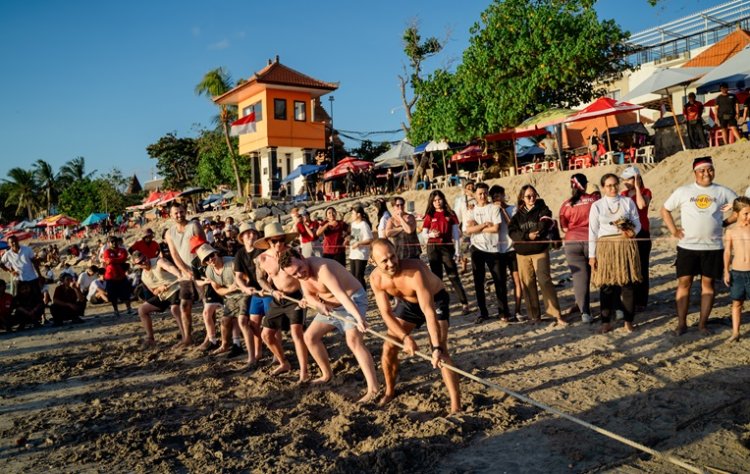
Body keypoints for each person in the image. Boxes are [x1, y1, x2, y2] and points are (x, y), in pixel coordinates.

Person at [369, 239, 460, 413]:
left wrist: (435, 347)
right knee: (389, 346)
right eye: (384, 261)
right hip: (408, 304)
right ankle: (389, 391)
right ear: (372, 262)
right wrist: (405, 338)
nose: (391, 263)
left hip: (435, 300)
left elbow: (428, 311)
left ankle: (456, 405)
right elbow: (386, 314)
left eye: (393, 257)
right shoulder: (375, 279)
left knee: (441, 351)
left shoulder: (415, 270)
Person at [279, 250, 379, 402]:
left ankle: (373, 388)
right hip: (330, 307)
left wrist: (359, 318)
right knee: (310, 337)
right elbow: (308, 296)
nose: (299, 274)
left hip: (352, 300)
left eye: (300, 269)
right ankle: (326, 374)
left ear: (302, 257)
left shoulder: (323, 269)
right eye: (294, 274)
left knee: (353, 341)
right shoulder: (300, 274)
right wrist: (318, 304)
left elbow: (341, 295)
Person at [661, 157, 737, 336]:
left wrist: (725, 222)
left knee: (708, 285)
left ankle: (702, 324)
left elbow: (741, 207)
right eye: (702, 170)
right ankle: (681, 324)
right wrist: (674, 230)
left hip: (713, 247)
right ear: (695, 173)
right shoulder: (684, 191)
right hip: (688, 247)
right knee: (684, 284)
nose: (706, 173)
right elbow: (665, 210)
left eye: (709, 169)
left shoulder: (722, 191)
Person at [254, 222, 309, 381]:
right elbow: (260, 278)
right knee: (266, 335)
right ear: (268, 242)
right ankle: (283, 362)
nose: (279, 244)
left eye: (281, 240)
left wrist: (306, 295)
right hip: (278, 298)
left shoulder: (293, 253)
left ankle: (304, 372)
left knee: (296, 334)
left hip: (296, 297)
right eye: (274, 241)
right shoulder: (262, 258)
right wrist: (271, 291)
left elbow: (306, 272)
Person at [589, 173, 642, 333]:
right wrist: (592, 255)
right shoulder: (597, 205)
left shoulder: (627, 202)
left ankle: (628, 321)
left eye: (614, 184)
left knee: (628, 284)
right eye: (608, 186)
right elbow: (592, 231)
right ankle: (606, 321)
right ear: (603, 188)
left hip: (625, 245)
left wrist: (633, 232)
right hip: (605, 247)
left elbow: (637, 223)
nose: (612, 188)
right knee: (606, 285)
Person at [509, 185, 566, 326]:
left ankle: (556, 314)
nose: (532, 198)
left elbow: (545, 222)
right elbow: (512, 233)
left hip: (540, 251)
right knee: (528, 284)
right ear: (523, 198)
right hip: (522, 254)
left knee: (545, 281)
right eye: (528, 196)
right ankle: (534, 315)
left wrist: (537, 232)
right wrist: (527, 236)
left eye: (534, 195)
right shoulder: (517, 216)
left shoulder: (542, 208)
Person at [464, 183, 509, 322]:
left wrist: (477, 227)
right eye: (479, 194)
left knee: (499, 281)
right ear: (475, 195)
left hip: (493, 248)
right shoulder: (470, 210)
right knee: (478, 282)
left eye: (484, 193)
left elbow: (496, 228)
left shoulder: (494, 208)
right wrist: (483, 225)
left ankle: (503, 313)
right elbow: (468, 230)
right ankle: (483, 312)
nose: (482, 196)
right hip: (477, 248)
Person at [559, 174, 599, 323]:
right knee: (602, 275)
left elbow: (564, 228)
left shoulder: (566, 205)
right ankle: (616, 307)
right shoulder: (594, 200)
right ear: (585, 184)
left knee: (579, 279)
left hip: (572, 242)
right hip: (591, 240)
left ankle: (585, 313)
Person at [422, 190, 469, 314]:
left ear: (443, 199)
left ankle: (464, 303)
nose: (437, 202)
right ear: (432, 202)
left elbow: (456, 235)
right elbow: (423, 234)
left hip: (447, 248)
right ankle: (439, 305)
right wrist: (431, 234)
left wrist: (458, 252)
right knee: (437, 277)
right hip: (432, 247)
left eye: (439, 199)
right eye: (435, 200)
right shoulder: (429, 215)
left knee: (453, 275)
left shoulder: (450, 214)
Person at [165, 202, 205, 347]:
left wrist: (196, 271)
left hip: (199, 269)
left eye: (181, 212)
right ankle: (187, 337)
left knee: (207, 304)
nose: (179, 215)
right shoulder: (170, 233)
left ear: (185, 211)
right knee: (184, 305)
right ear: (170, 215)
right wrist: (185, 271)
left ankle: (210, 336)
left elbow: (203, 246)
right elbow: (174, 255)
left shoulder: (194, 225)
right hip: (184, 273)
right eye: (176, 213)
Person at [197, 244, 245, 359]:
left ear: (216, 253)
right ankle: (224, 345)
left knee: (240, 318)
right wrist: (229, 289)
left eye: (211, 255)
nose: (210, 259)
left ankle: (238, 344)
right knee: (224, 320)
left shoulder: (232, 263)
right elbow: (218, 289)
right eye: (206, 259)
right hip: (230, 296)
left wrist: (240, 283)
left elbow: (248, 277)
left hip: (244, 293)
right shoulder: (209, 271)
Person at [131, 250, 183, 348]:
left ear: (146, 256)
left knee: (175, 309)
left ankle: (185, 335)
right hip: (163, 295)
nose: (144, 262)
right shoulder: (143, 277)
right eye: (140, 262)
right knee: (142, 310)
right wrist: (159, 288)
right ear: (136, 264)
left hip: (175, 288)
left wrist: (179, 274)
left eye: (144, 259)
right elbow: (154, 292)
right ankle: (150, 339)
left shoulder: (159, 261)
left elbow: (170, 268)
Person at [233, 222, 267, 367]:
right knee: (254, 324)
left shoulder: (262, 250)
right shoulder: (240, 254)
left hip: (267, 290)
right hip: (254, 292)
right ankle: (255, 355)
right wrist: (246, 289)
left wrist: (268, 287)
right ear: (241, 237)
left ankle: (277, 357)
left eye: (253, 232)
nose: (251, 235)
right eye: (247, 233)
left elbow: (270, 272)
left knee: (272, 325)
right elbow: (238, 277)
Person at [620, 166, 653, 311]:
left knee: (642, 268)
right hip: (629, 233)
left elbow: (641, 205)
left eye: (628, 179)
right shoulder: (623, 194)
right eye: (624, 179)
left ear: (636, 179)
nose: (625, 182)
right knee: (630, 267)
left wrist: (638, 188)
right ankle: (630, 300)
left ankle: (641, 301)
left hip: (643, 233)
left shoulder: (646, 192)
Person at [490, 185, 523, 320]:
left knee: (517, 280)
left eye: (500, 195)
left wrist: (503, 210)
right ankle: (505, 312)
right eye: (494, 197)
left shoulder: (512, 209)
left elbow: (512, 226)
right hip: (498, 250)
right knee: (500, 282)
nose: (498, 199)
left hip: (512, 249)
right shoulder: (491, 210)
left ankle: (518, 310)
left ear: (504, 195)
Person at [723, 197, 750, 343]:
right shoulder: (731, 231)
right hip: (737, 272)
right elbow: (727, 252)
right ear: (736, 213)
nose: (749, 217)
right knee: (736, 303)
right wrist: (726, 271)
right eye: (746, 213)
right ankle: (735, 332)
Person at [102, 235, 133, 317]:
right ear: (108, 243)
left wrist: (113, 260)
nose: (114, 243)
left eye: (115, 241)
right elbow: (108, 260)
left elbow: (123, 258)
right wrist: (118, 260)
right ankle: (116, 310)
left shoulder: (122, 250)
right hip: (110, 277)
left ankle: (129, 308)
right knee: (112, 295)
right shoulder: (106, 251)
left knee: (126, 293)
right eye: (111, 241)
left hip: (121, 276)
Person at [385, 196, 421, 260]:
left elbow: (409, 230)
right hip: (399, 251)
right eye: (397, 205)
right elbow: (387, 233)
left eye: (402, 204)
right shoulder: (391, 220)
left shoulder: (410, 217)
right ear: (393, 207)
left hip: (413, 251)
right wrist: (401, 228)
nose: (400, 207)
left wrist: (401, 217)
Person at [348, 206, 374, 291]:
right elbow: (353, 237)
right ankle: (356, 294)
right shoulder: (353, 224)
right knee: (353, 276)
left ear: (358, 214)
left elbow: (370, 239)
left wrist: (359, 243)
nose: (351, 215)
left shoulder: (364, 225)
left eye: (353, 213)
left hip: (361, 254)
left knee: (359, 275)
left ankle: (363, 295)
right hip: (353, 254)